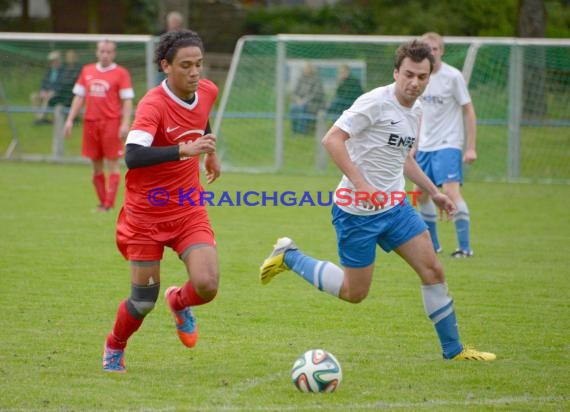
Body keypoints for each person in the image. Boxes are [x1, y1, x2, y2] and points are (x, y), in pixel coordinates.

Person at [259, 40, 495, 362]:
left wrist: (435, 192)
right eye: (409, 75)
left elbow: (404, 158)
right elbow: (332, 139)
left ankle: (454, 351)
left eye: (422, 77)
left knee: (433, 270)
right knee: (354, 293)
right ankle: (290, 256)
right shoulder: (374, 102)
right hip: (356, 211)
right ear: (396, 71)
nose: (414, 83)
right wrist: (363, 186)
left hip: (395, 208)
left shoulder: (418, 109)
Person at [102, 30, 221, 373]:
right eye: (186, 65)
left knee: (207, 285)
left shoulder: (207, 90)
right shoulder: (152, 105)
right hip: (145, 215)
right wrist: (186, 150)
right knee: (142, 302)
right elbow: (133, 156)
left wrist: (209, 152)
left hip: (187, 206)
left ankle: (179, 301)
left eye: (199, 64)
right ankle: (114, 345)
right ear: (166, 66)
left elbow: (202, 119)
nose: (195, 72)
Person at [412, 32, 478, 258]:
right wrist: (414, 143)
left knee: (450, 192)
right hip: (425, 145)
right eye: (426, 48)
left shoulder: (453, 76)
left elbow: (468, 110)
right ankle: (433, 246)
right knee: (420, 195)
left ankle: (464, 247)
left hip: (448, 143)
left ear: (441, 51)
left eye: (434, 49)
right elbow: (418, 114)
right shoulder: (420, 77)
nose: (430, 52)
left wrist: (470, 147)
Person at [63, 40, 134, 213]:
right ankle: (103, 204)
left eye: (109, 52)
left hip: (111, 123)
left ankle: (108, 204)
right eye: (102, 51)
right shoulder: (87, 70)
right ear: (97, 52)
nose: (105, 55)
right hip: (90, 123)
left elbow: (127, 100)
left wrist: (124, 123)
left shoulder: (121, 73)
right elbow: (79, 97)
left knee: (112, 164)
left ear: (113, 53)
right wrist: (70, 120)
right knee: (95, 165)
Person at [289, 62, 325, 135]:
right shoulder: (301, 78)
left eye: (307, 69)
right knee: (293, 107)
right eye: (305, 69)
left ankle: (302, 131)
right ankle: (294, 130)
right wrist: (297, 99)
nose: (305, 70)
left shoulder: (316, 79)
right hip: (299, 101)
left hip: (313, 103)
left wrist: (304, 100)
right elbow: (294, 92)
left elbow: (315, 94)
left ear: (311, 70)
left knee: (302, 108)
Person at [30, 50, 62, 125]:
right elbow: (43, 82)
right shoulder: (49, 71)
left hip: (57, 94)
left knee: (47, 98)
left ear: (59, 61)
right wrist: (42, 90)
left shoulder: (63, 71)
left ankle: (41, 119)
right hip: (46, 92)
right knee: (34, 96)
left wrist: (53, 91)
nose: (53, 63)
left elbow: (62, 85)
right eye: (52, 61)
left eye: (55, 61)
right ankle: (39, 117)